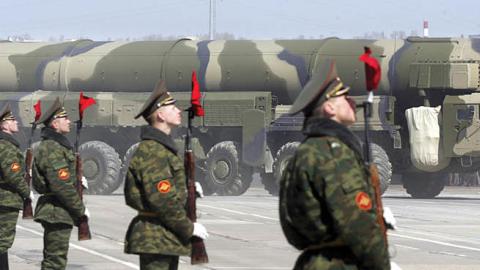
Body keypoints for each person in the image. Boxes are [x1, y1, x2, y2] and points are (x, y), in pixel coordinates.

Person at [279, 61, 391, 269]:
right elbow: (359, 227)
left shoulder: (308, 151)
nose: (351, 100)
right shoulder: (333, 154)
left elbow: (293, 227)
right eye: (343, 95)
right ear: (329, 107)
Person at [124, 81, 208, 270]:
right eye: (173, 107)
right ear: (160, 114)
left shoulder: (161, 148)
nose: (179, 110)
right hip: (156, 238)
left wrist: (187, 190)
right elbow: (162, 200)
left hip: (164, 236)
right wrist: (189, 228)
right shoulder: (154, 151)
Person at [32, 97, 90, 270]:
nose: (69, 121)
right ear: (55, 124)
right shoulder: (52, 147)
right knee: (54, 262)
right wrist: (80, 210)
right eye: (64, 118)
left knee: (56, 260)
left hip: (58, 211)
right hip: (56, 212)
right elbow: (61, 185)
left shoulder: (57, 146)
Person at [0, 104, 33, 270]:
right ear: (4, 125)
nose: (16, 122)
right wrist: (27, 192)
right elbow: (12, 175)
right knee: (3, 242)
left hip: (5, 200)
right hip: (6, 201)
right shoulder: (6, 147)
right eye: (12, 120)